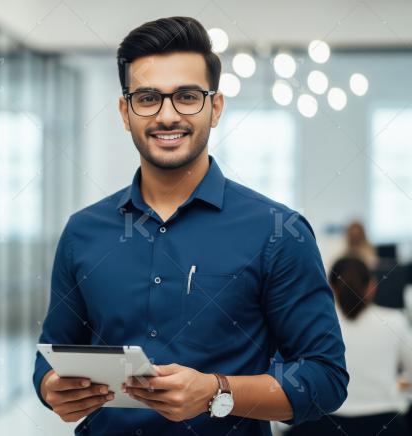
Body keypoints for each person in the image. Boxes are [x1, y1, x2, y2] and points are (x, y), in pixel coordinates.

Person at [32, 16, 348, 435]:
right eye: (147, 98)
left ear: (215, 108)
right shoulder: (82, 232)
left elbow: (325, 378)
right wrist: (52, 387)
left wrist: (218, 392)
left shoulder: (278, 231)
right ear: (126, 112)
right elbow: (51, 356)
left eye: (186, 96)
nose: (167, 116)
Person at [287, 256, 411, 435]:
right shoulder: (395, 321)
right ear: (372, 286)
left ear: (330, 288)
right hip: (386, 425)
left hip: (326, 426)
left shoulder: (314, 324)